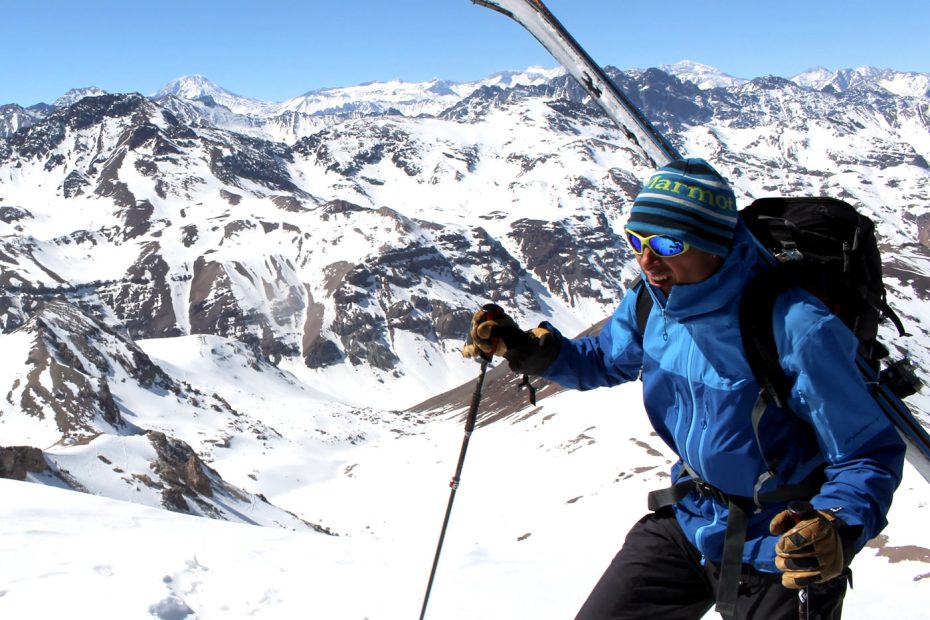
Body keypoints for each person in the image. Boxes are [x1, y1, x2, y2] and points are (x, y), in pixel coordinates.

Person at [465, 158, 906, 619]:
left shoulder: (795, 326)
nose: (646, 259)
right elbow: (603, 360)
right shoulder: (651, 302)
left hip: (784, 540)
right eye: (636, 240)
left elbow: (866, 453)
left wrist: (836, 525)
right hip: (694, 516)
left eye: (667, 243)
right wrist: (525, 349)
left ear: (714, 243)